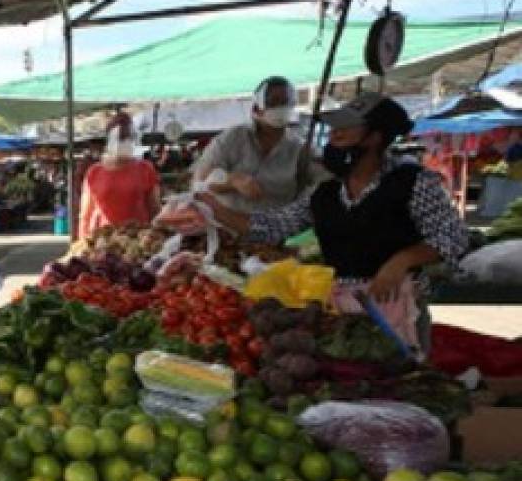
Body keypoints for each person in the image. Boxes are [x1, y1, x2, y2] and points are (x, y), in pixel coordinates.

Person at [200, 94, 468, 350]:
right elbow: (272, 226)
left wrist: (402, 261)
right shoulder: (326, 191)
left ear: (375, 137)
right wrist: (212, 208)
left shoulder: (414, 182)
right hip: (340, 313)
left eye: (345, 128)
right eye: (334, 128)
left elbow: (453, 237)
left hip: (400, 307)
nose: (334, 135)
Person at [195, 76, 316, 212]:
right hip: (229, 225)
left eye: (286, 102)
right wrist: (232, 181)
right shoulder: (233, 138)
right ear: (257, 108)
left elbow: (316, 183)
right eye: (273, 102)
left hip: (278, 227)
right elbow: (201, 179)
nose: (280, 107)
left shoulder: (299, 148)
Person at [77, 112, 161, 238]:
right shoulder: (94, 172)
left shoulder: (145, 169)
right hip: (101, 241)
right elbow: (85, 215)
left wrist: (157, 237)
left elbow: (155, 209)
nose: (123, 143)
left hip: (136, 241)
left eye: (127, 138)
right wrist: (81, 244)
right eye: (120, 138)